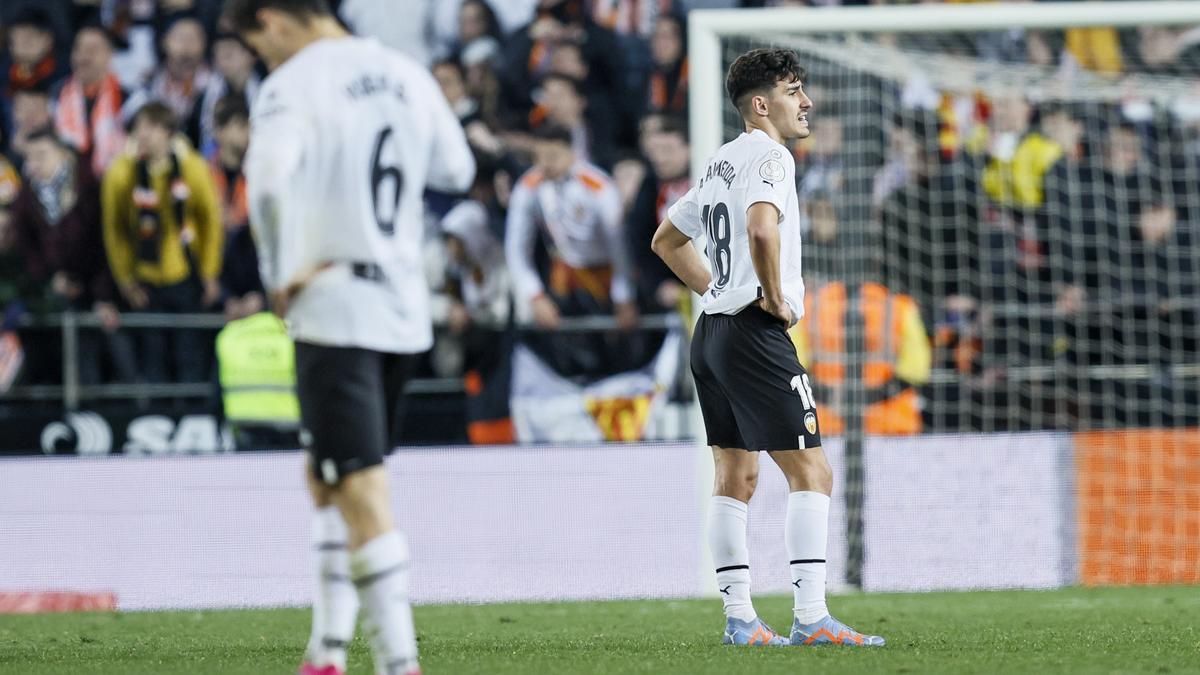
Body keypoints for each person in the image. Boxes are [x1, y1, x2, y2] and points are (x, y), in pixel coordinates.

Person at [222, 1, 475, 674]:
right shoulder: (405, 72)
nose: (263, 60)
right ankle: (326, 650)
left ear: (272, 19)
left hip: (333, 301)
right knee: (328, 469)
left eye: (257, 45)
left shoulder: (293, 84)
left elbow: (268, 182)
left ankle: (398, 662)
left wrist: (279, 272)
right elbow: (457, 170)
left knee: (360, 484)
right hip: (402, 302)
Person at [650, 48, 884, 647]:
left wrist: (717, 289)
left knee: (735, 476)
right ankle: (811, 618)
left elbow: (666, 241)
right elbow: (760, 227)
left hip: (712, 335)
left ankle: (740, 619)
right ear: (762, 105)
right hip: (754, 333)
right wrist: (774, 296)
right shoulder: (771, 156)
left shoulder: (720, 162)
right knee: (813, 472)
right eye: (793, 90)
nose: (805, 102)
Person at [101, 102, 223, 384]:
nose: (144, 134)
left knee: (189, 351)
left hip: (184, 273)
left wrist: (209, 271)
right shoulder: (121, 171)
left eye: (152, 127)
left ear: (168, 132)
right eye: (139, 127)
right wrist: (125, 279)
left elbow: (210, 221)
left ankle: (192, 417)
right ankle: (155, 418)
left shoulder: (192, 167)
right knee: (152, 355)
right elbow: (114, 228)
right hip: (144, 278)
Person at [54, 24, 128, 177]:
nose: (83, 57)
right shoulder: (56, 95)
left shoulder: (129, 98)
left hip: (113, 180)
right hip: (69, 181)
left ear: (110, 54)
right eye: (78, 49)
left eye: (92, 50)